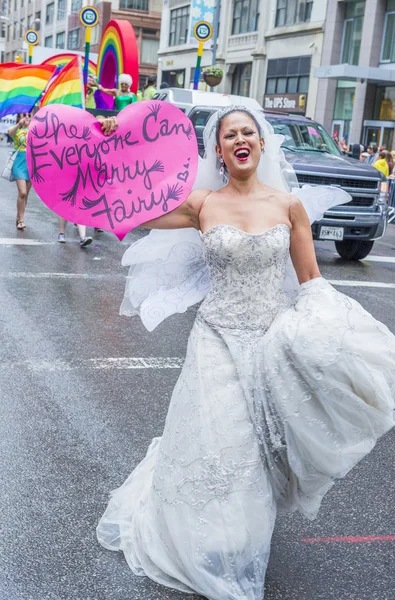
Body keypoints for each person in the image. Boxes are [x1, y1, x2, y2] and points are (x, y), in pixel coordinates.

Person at [95, 107, 395, 600]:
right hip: (213, 337)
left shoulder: (289, 206)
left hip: (267, 341)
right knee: (217, 441)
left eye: (247, 133)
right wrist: (113, 144)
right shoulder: (201, 204)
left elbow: (311, 283)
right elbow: (126, 208)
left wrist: (328, 336)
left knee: (251, 453)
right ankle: (199, 541)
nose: (239, 140)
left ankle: (238, 540)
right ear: (219, 150)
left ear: (261, 144)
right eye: (229, 134)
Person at [7, 113, 32, 230]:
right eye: (24, 115)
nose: (27, 117)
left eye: (29, 115)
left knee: (26, 194)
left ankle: (19, 217)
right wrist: (19, 124)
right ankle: (21, 220)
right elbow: (9, 133)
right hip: (19, 162)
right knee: (22, 192)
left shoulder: (35, 129)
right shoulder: (17, 130)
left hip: (32, 164)